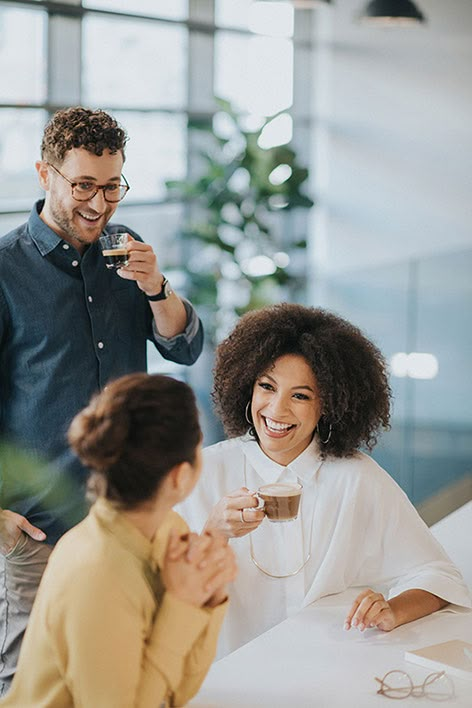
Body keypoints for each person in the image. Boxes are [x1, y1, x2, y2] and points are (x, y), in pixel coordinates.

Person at [0, 106, 204, 693]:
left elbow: (185, 347)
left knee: (126, 666)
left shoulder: (126, 249)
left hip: (125, 515)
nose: (99, 203)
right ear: (46, 173)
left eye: (112, 186)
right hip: (37, 525)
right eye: (83, 185)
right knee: (29, 681)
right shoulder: (7, 270)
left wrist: (156, 287)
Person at [178, 303, 471, 658]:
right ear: (246, 386)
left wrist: (392, 610)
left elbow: (438, 576)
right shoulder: (206, 471)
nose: (277, 409)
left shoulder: (356, 478)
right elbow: (158, 593)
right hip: (228, 675)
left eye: (300, 395)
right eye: (267, 387)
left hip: (330, 668)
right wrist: (214, 532)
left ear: (329, 405)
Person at [0, 373, 236, 708]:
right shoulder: (96, 571)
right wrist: (182, 603)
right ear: (180, 477)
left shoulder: (170, 529)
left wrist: (210, 598)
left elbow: (176, 691)